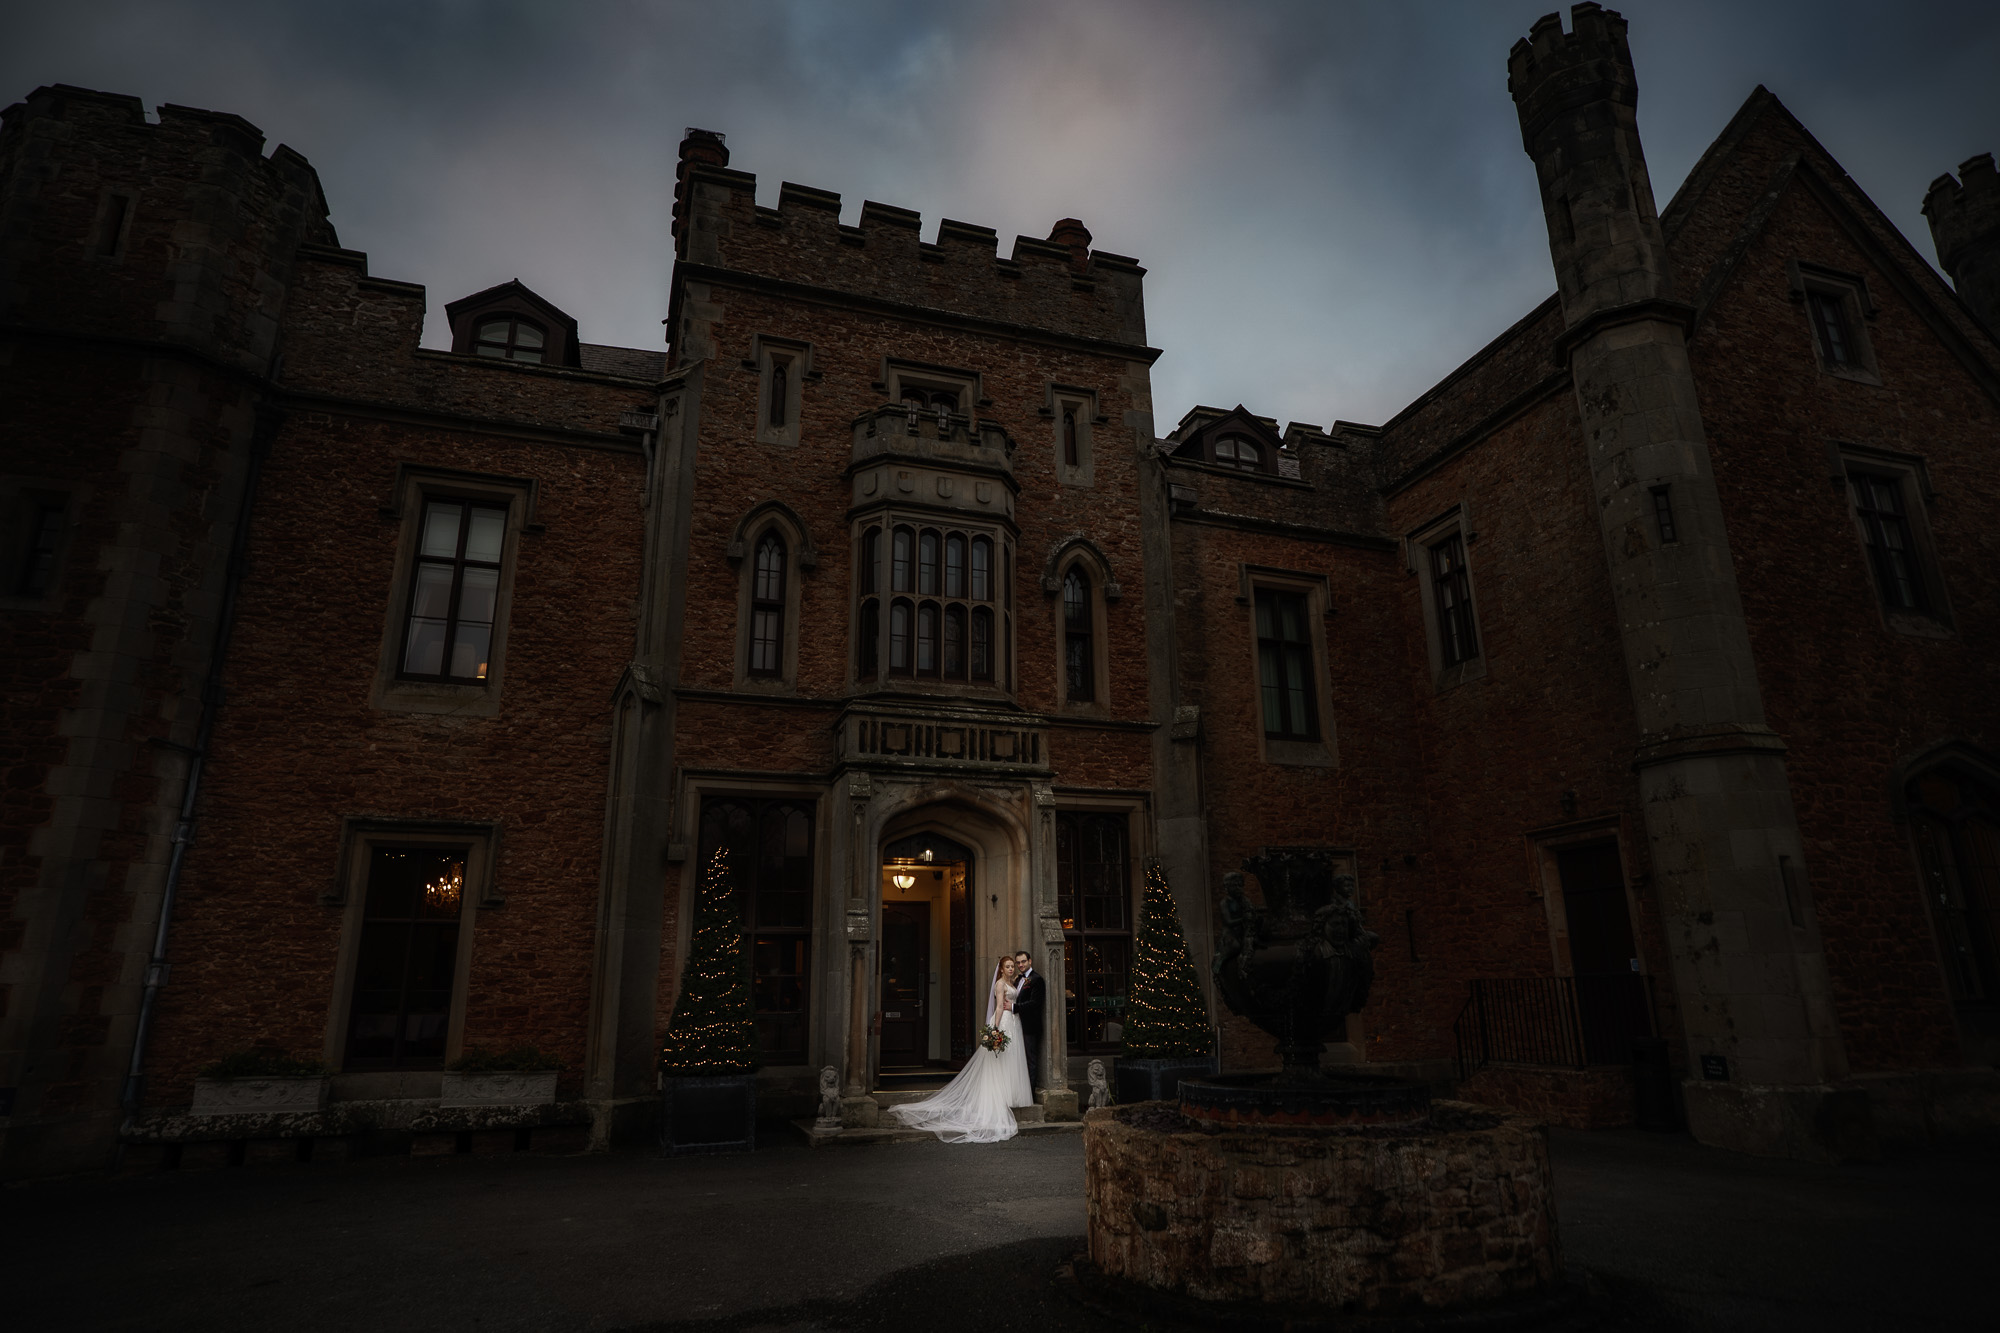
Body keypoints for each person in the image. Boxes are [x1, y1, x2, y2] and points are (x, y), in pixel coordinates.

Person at [884, 954, 1033, 1143]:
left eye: (1013, 966)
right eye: (1008, 966)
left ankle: (1012, 1095)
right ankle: (1000, 1096)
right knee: (999, 1060)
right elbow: (998, 1008)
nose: (1012, 969)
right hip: (1004, 1022)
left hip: (1014, 1023)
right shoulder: (1000, 985)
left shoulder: (1015, 982)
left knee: (1011, 1058)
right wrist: (994, 1029)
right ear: (1001, 969)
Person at [1011, 949, 1046, 1095]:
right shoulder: (1019, 979)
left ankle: (1030, 1092)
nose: (1020, 965)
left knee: (1030, 1059)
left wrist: (1015, 1007)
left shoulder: (1037, 979)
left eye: (1023, 961)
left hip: (1030, 1026)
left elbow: (1035, 1003)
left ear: (1030, 961)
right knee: (1020, 1058)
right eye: (1018, 962)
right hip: (1018, 1025)